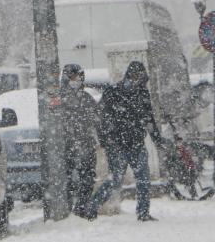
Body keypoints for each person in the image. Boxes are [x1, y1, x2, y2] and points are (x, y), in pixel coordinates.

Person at [79, 61, 162, 222]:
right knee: (116, 180)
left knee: (142, 179)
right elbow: (101, 117)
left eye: (140, 76)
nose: (137, 80)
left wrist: (157, 139)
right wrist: (105, 139)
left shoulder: (142, 94)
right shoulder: (113, 92)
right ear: (129, 75)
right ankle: (92, 207)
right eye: (135, 76)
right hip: (117, 144)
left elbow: (148, 118)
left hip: (135, 143)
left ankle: (143, 212)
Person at [59, 64, 100, 214]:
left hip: (86, 143)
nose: (76, 80)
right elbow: (54, 121)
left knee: (88, 177)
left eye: (79, 77)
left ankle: (82, 207)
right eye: (73, 77)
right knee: (67, 178)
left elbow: (97, 119)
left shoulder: (87, 98)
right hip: (66, 145)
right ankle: (68, 208)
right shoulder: (58, 98)